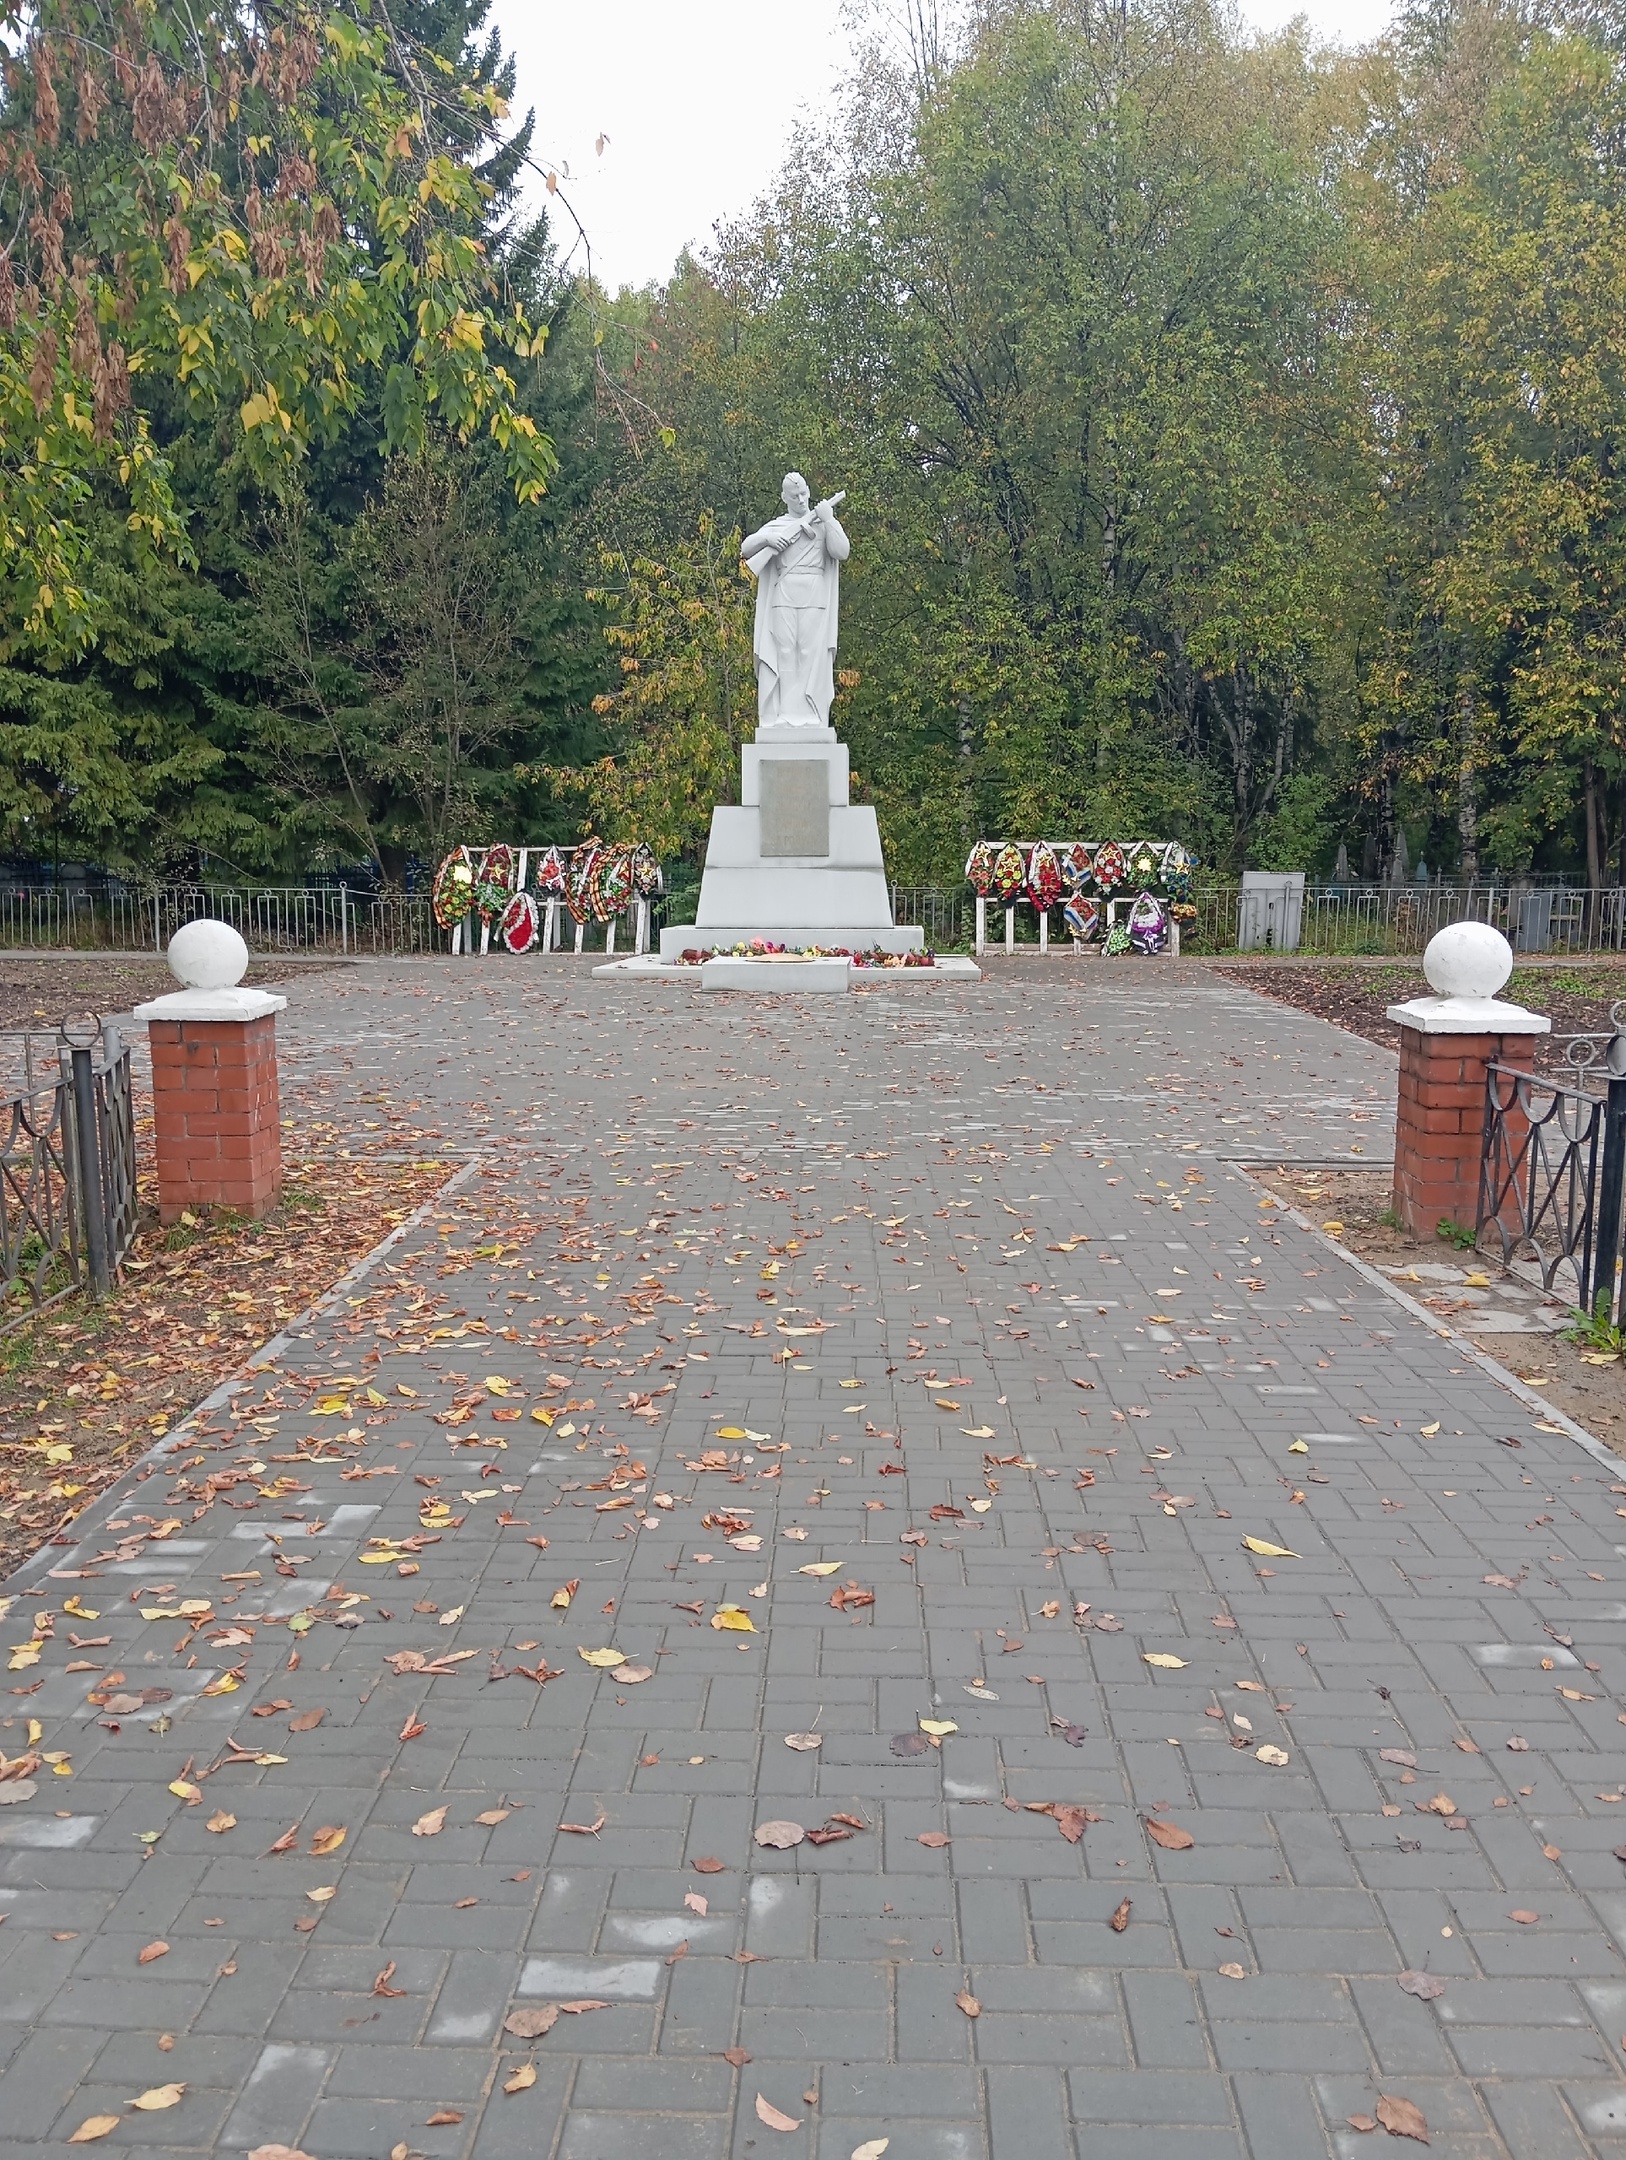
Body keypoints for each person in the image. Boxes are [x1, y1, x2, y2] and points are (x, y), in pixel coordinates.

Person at [741, 473, 849, 730]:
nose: (800, 500)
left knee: (809, 654)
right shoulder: (777, 526)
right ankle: (785, 716)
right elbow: (747, 548)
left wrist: (829, 519)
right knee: (785, 654)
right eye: (794, 496)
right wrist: (768, 539)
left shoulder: (823, 523)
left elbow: (841, 551)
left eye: (803, 494)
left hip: (815, 596)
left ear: (809, 492)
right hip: (784, 596)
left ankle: (811, 714)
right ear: (784, 498)